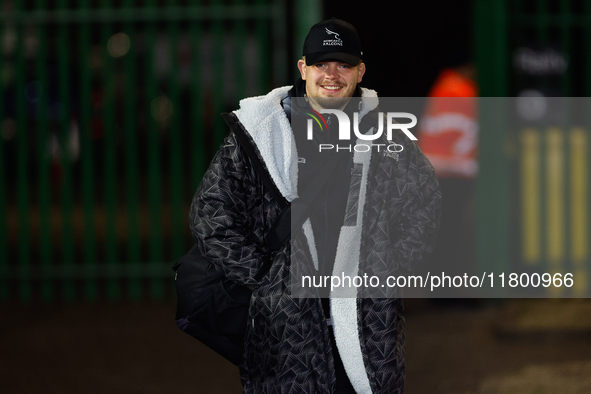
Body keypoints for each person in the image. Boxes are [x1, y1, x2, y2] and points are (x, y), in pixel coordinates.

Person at [189, 18, 441, 394]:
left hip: (366, 322)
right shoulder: (261, 134)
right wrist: (265, 278)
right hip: (284, 329)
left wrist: (387, 267)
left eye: (343, 64)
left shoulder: (387, 134)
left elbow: (424, 204)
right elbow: (211, 213)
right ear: (303, 68)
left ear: (360, 72)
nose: (332, 75)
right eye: (322, 63)